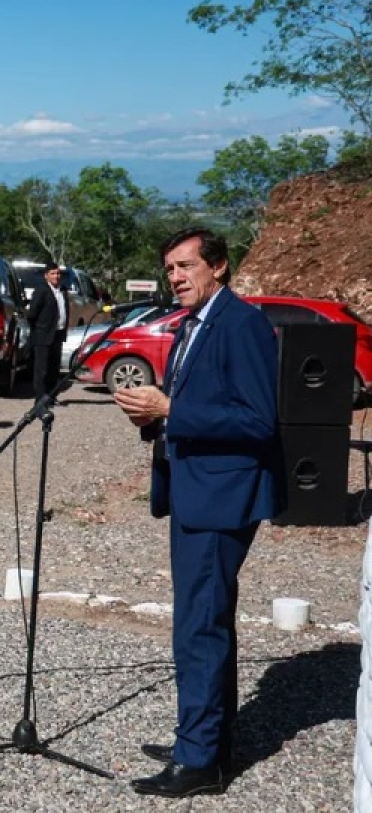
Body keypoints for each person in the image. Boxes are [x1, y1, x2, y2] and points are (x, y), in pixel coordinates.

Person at [113, 227, 282, 799]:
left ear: (220, 267)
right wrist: (154, 420)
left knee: (198, 626)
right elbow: (196, 408)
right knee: (203, 620)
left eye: (186, 266)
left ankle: (199, 761)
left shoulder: (242, 324)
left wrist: (172, 409)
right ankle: (209, 737)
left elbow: (259, 422)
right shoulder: (191, 325)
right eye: (170, 270)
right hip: (192, 489)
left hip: (222, 497)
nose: (176, 278)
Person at [27, 261, 67, 400]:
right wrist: (38, 329)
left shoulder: (62, 290)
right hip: (43, 335)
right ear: (46, 276)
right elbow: (32, 314)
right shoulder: (41, 290)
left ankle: (51, 395)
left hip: (58, 334)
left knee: (54, 368)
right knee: (41, 369)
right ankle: (40, 398)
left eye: (58, 273)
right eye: (53, 273)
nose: (56, 276)